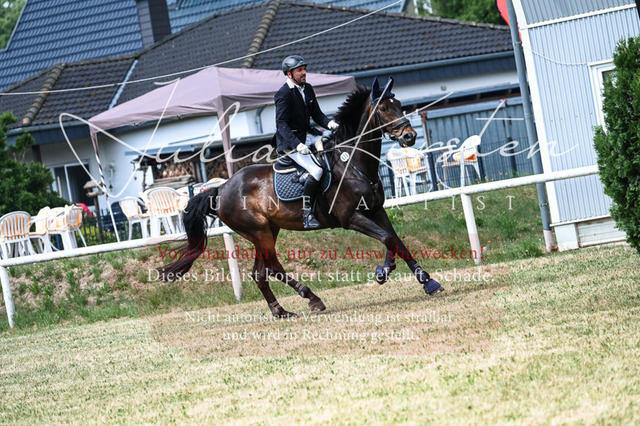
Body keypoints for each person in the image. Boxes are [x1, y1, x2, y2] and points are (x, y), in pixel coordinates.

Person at [274, 55, 339, 229]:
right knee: (316, 170)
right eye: (299, 70)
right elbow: (281, 125)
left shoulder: (307, 88)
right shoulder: (283, 94)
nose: (304, 73)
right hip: (291, 143)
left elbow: (317, 114)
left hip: (308, 135)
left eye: (304, 69)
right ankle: (307, 213)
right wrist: (297, 144)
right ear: (289, 74)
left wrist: (330, 123)